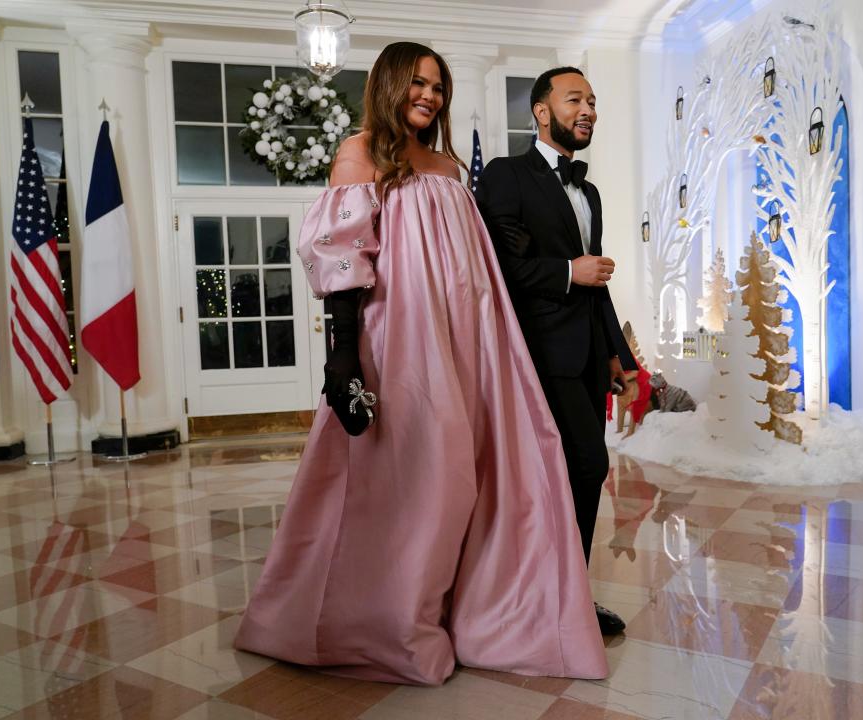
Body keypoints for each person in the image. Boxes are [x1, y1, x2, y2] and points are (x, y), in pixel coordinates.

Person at [234, 43, 608, 686]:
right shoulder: (360, 154)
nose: (429, 95)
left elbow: (475, 266)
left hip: (466, 341)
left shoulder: (448, 167)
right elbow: (344, 257)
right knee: (416, 479)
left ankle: (466, 608)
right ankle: (389, 616)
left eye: (437, 86)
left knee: (473, 474)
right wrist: (345, 352)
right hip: (399, 341)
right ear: (387, 85)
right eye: (417, 83)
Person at [475, 67, 637, 636]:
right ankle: (550, 598)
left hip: (589, 353)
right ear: (541, 112)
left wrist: (618, 354)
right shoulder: (506, 175)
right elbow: (500, 270)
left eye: (592, 100)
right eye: (575, 100)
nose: (587, 109)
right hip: (538, 352)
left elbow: (599, 280)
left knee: (579, 471)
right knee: (583, 466)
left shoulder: (587, 189)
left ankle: (564, 596)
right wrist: (570, 270)